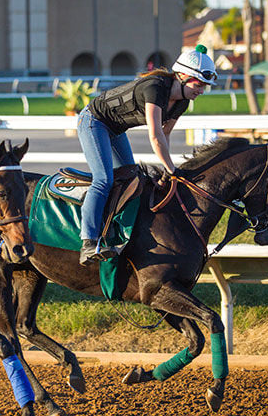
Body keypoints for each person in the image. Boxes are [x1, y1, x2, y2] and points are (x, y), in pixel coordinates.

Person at [76, 45, 217, 266]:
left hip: (114, 129)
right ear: (182, 76)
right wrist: (172, 170)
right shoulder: (155, 87)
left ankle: (113, 231)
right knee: (104, 179)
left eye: (205, 86)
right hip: (94, 121)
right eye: (198, 84)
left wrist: (168, 168)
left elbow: (166, 135)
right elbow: (155, 136)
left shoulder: (183, 102)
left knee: (130, 179)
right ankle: (88, 243)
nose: (201, 90)